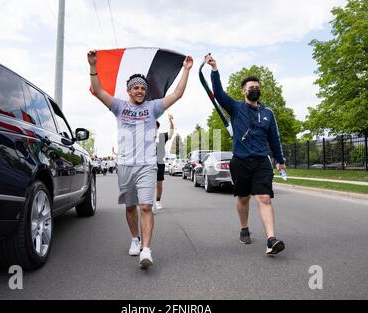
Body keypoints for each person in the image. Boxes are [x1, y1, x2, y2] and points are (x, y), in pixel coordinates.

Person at [88, 50, 193, 268]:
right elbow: (98, 91)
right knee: (130, 207)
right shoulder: (119, 107)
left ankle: (146, 249)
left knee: (146, 206)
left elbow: (178, 94)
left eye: (143, 88)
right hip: (125, 165)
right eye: (136, 87)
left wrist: (186, 70)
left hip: (147, 165)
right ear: (129, 90)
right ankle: (135, 239)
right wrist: (93, 66)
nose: (140, 90)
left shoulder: (153, 108)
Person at [205, 54, 286, 255]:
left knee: (264, 198)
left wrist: (280, 160)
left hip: (261, 161)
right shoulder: (235, 107)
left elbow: (274, 138)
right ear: (243, 91)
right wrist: (214, 69)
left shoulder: (268, 113)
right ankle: (244, 228)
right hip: (240, 162)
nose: (254, 90)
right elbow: (218, 93)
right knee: (243, 198)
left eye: (257, 87)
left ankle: (271, 239)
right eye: (250, 87)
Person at [155, 114, 174, 210]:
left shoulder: (162, 136)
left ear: (157, 127)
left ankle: (158, 201)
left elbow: (171, 133)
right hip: (147, 163)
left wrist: (171, 121)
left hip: (159, 163)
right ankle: (148, 203)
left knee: (159, 183)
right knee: (148, 184)